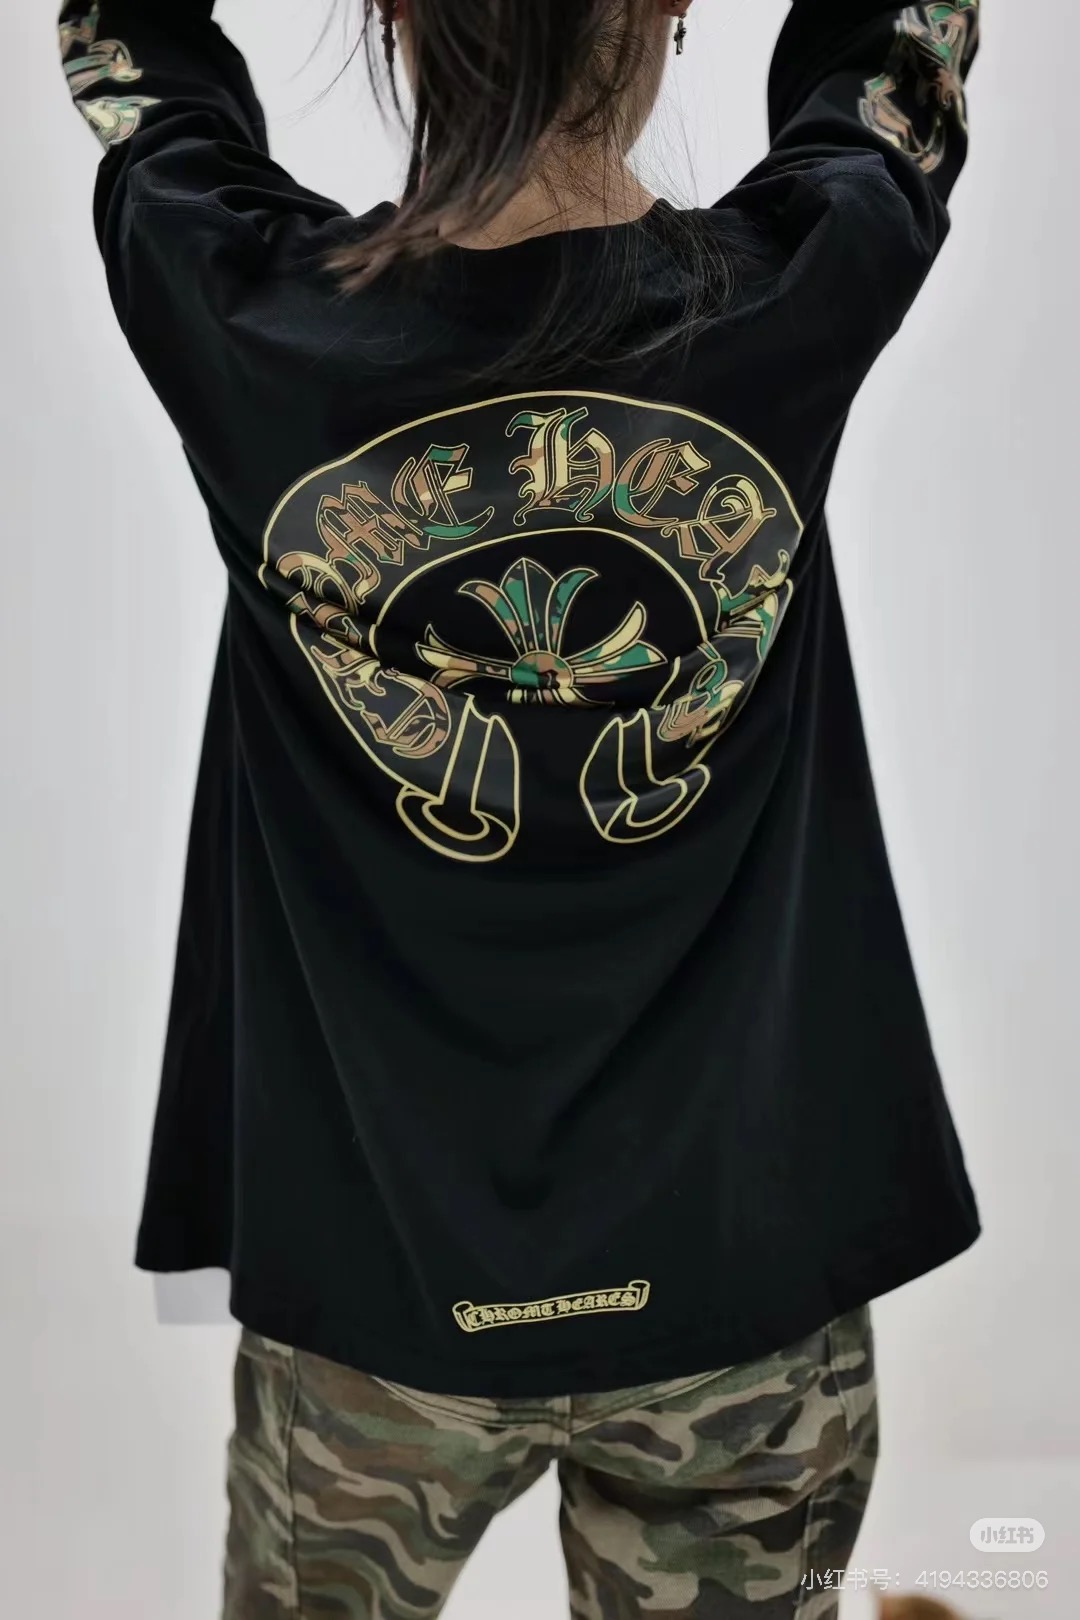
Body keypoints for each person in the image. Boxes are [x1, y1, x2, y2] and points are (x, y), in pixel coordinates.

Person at [57, 1, 983, 1615]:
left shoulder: (247, 317)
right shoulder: (803, 285)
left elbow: (137, 64)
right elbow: (903, 49)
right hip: (743, 1291)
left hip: (373, 1308)